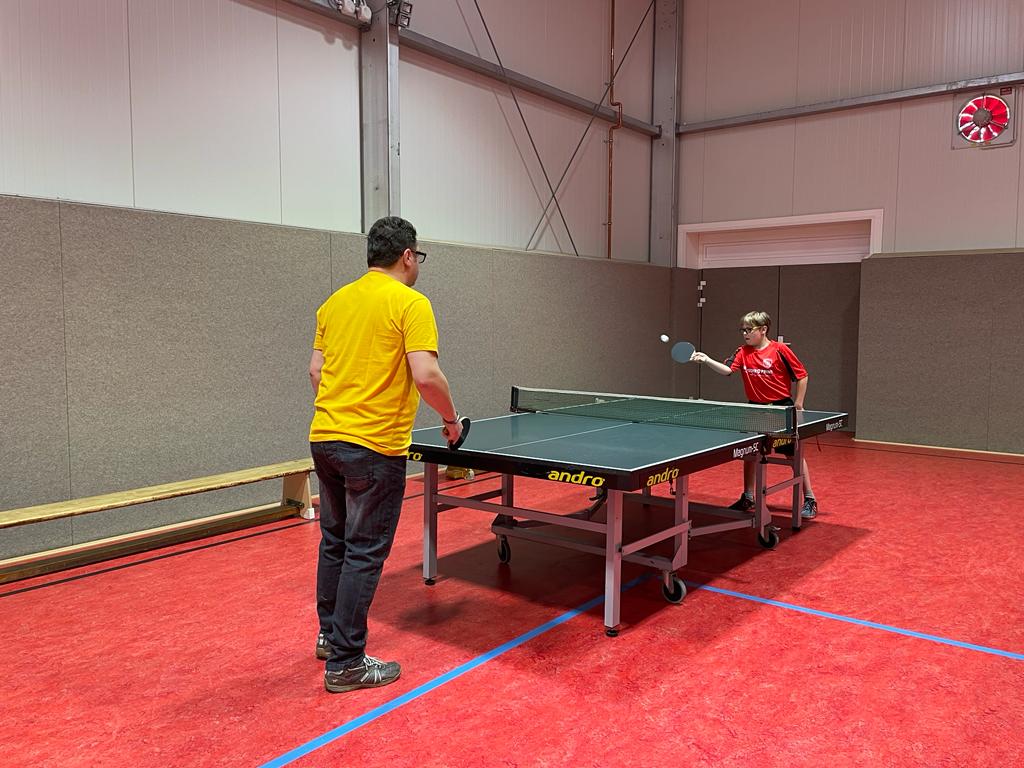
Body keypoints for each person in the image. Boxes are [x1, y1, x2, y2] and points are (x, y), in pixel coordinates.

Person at [308, 216, 462, 694]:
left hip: (325, 437)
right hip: (374, 446)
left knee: (335, 541)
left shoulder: (334, 302)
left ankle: (329, 637)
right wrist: (451, 419)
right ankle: (347, 663)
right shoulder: (411, 303)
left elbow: (315, 371)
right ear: (408, 255)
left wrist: (341, 411)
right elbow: (426, 376)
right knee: (364, 551)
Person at [689, 310, 818, 519]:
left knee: (793, 455)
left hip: (780, 409)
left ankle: (810, 498)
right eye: (743, 330)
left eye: (749, 330)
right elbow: (728, 370)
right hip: (754, 409)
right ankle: (748, 496)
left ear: (763, 329)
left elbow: (802, 375)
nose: (745, 334)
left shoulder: (780, 350)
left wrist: (799, 403)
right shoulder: (743, 351)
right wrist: (706, 359)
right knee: (749, 453)